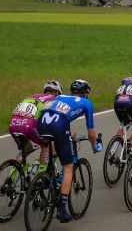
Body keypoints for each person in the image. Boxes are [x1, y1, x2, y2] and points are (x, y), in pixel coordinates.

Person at [37, 79, 100, 223]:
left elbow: (61, 118)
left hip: (41, 124)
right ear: (86, 94)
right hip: (58, 126)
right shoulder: (86, 103)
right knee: (68, 167)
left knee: (56, 145)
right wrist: (95, 146)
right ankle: (62, 210)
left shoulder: (60, 97)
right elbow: (91, 133)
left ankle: (45, 174)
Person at [9, 80, 63, 172]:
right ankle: (42, 174)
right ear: (57, 92)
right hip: (29, 126)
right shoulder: (54, 98)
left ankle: (10, 180)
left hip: (13, 124)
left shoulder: (33, 96)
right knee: (45, 145)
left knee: (25, 150)